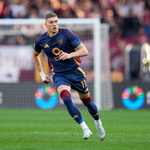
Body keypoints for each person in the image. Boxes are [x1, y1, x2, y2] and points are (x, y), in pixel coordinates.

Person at [33, 12, 106, 140]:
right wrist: (42, 74)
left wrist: (69, 55)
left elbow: (85, 51)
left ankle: (98, 123)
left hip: (75, 72)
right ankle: (85, 128)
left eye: (56, 21)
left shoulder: (67, 34)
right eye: (51, 22)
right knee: (66, 99)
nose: (54, 24)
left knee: (87, 102)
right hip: (59, 74)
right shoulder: (40, 40)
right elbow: (35, 55)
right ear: (45, 25)